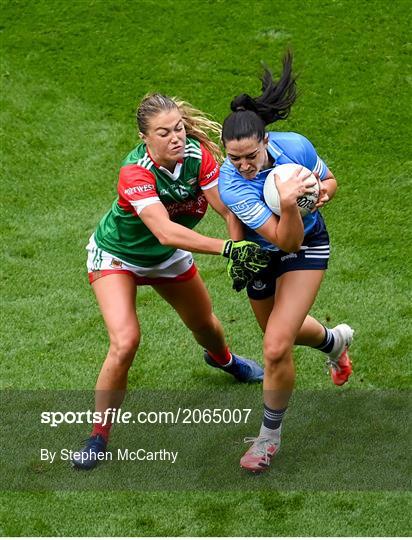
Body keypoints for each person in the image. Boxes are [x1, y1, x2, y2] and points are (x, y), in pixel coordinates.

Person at [72, 93, 270, 470]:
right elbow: (164, 231)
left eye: (179, 128)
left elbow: (225, 207)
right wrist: (228, 249)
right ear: (145, 137)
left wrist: (242, 246)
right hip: (118, 256)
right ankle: (98, 434)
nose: (177, 137)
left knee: (205, 324)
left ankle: (224, 360)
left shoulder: (197, 156)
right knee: (125, 341)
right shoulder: (136, 171)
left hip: (166, 260)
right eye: (164, 132)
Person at [218, 51, 354, 473]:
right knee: (283, 333)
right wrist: (291, 204)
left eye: (250, 157)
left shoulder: (294, 145)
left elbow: (328, 183)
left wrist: (318, 194)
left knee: (275, 345)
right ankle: (334, 342)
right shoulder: (231, 184)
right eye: (233, 158)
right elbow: (280, 237)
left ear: (265, 143)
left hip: (307, 249)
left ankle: (267, 439)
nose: (242, 167)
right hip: (265, 253)